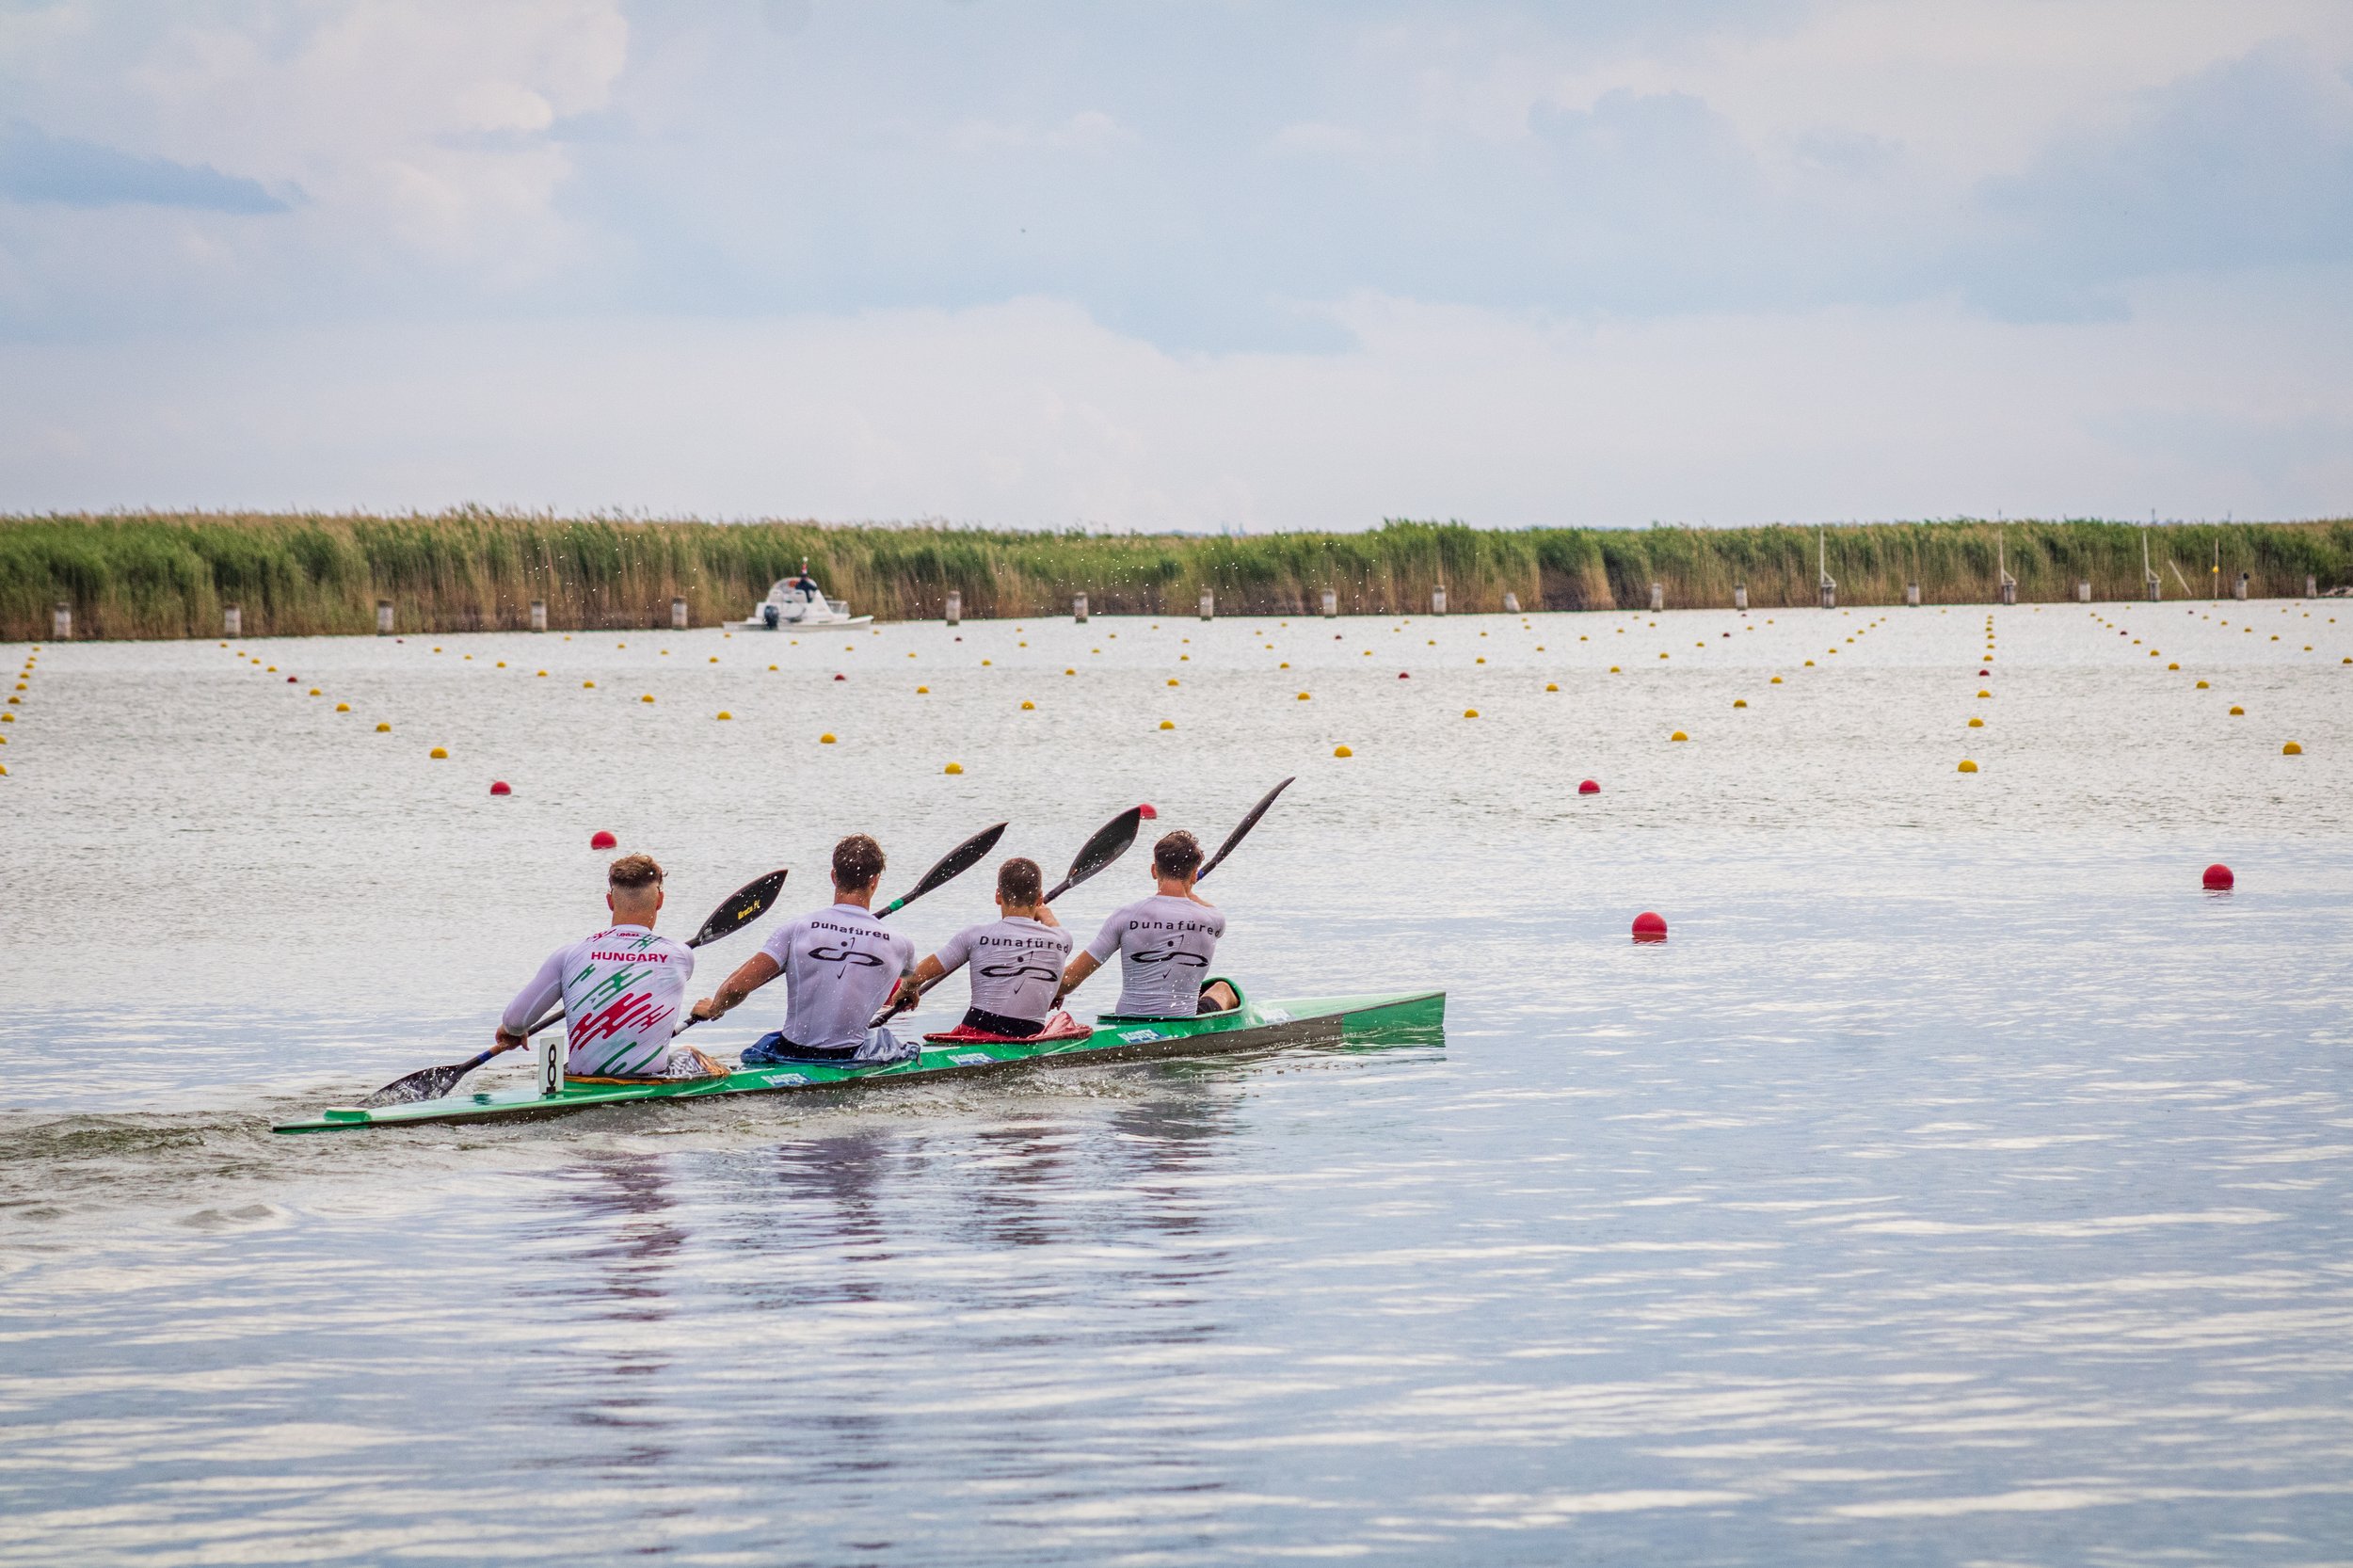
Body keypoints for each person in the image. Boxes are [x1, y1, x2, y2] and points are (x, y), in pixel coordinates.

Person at [692, 833, 921, 1064]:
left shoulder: (797, 929)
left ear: (834, 877)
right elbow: (914, 977)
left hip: (791, 1052)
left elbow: (736, 987)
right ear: (875, 881)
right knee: (887, 1041)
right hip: (850, 1056)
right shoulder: (900, 944)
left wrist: (715, 1008)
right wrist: (908, 990)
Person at [495, 854, 727, 1080]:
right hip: (648, 1079)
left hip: (582, 1078)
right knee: (691, 1054)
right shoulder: (681, 956)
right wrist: (713, 1008)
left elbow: (515, 1020)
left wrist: (512, 1031)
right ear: (660, 901)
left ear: (609, 901)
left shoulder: (569, 955)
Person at [1055, 830, 1238, 1018]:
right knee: (1224, 989)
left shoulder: (1125, 916)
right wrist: (1188, 887)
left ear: (1154, 871)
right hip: (1183, 1023)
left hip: (1129, 1022)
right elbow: (1195, 907)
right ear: (1193, 875)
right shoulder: (1213, 919)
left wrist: (1055, 992)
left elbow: (1068, 981)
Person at [910, 856, 1074, 1038]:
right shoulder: (1062, 939)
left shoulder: (974, 935)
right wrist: (1046, 916)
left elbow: (916, 976)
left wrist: (907, 990)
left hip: (976, 1032)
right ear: (1039, 898)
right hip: (1027, 1038)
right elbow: (1053, 929)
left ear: (998, 896)